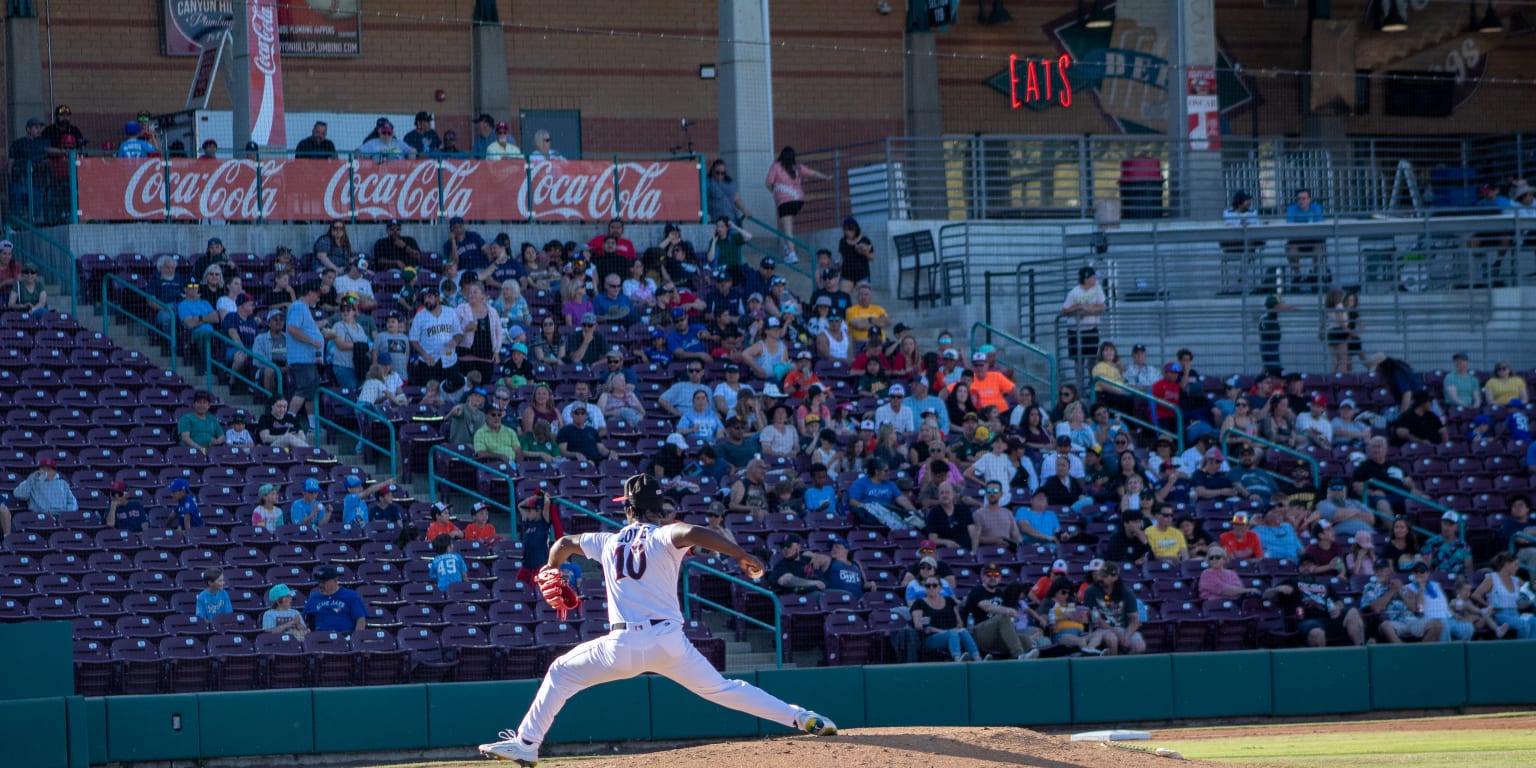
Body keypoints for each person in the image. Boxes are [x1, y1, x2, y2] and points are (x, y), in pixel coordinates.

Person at [478, 475, 838, 763]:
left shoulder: (608, 540)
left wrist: (551, 569)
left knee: (560, 673)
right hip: (669, 644)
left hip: (620, 645)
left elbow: (564, 543)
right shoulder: (664, 534)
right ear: (658, 511)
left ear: (629, 509)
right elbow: (694, 533)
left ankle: (527, 743)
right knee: (725, 690)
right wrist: (741, 554)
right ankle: (801, 717)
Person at [763, 146, 829, 263]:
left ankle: (792, 253)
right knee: (788, 225)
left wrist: (775, 191)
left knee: (787, 229)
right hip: (798, 200)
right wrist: (826, 177)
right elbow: (812, 173)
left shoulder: (776, 166)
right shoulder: (798, 167)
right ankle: (788, 247)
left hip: (784, 201)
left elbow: (768, 183)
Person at [912, 570, 982, 662]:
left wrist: (958, 628)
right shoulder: (919, 603)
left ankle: (977, 658)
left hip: (952, 634)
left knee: (963, 631)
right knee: (952, 633)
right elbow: (918, 626)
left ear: (940, 588)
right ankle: (957, 659)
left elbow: (960, 622)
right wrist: (936, 630)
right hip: (931, 638)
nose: (931, 588)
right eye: (928, 586)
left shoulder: (949, 601)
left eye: (934, 585)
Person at [1060, 266, 1106, 373]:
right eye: (1093, 278)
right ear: (1086, 279)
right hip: (1075, 330)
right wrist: (1080, 307)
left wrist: (1088, 309)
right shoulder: (1074, 293)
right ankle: (1079, 383)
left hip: (1091, 328)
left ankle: (1092, 382)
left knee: (1093, 357)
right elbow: (1065, 310)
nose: (1096, 280)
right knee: (1079, 359)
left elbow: (1102, 306)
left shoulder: (1097, 288)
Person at [303, 565, 367, 636]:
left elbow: (360, 619)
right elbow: (305, 619)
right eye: (319, 582)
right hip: (321, 637)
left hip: (345, 636)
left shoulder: (351, 595)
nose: (320, 585)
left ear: (335, 580)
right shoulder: (314, 597)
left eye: (324, 582)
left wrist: (357, 638)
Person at [1284, 188, 1326, 290]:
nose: (1301, 201)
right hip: (1297, 240)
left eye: (1304, 198)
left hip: (1314, 239)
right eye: (1299, 199)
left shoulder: (1316, 208)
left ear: (1310, 199)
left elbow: (1320, 224)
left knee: (1319, 250)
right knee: (1291, 250)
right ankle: (1298, 275)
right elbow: (1289, 225)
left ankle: (1315, 275)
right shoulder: (1292, 209)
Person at [706, 159, 751, 223]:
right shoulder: (707, 183)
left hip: (730, 220)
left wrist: (744, 210)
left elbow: (737, 199)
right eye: (717, 173)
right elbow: (699, 200)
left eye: (723, 173)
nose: (720, 175)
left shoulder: (730, 183)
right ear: (712, 171)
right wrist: (705, 214)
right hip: (715, 221)